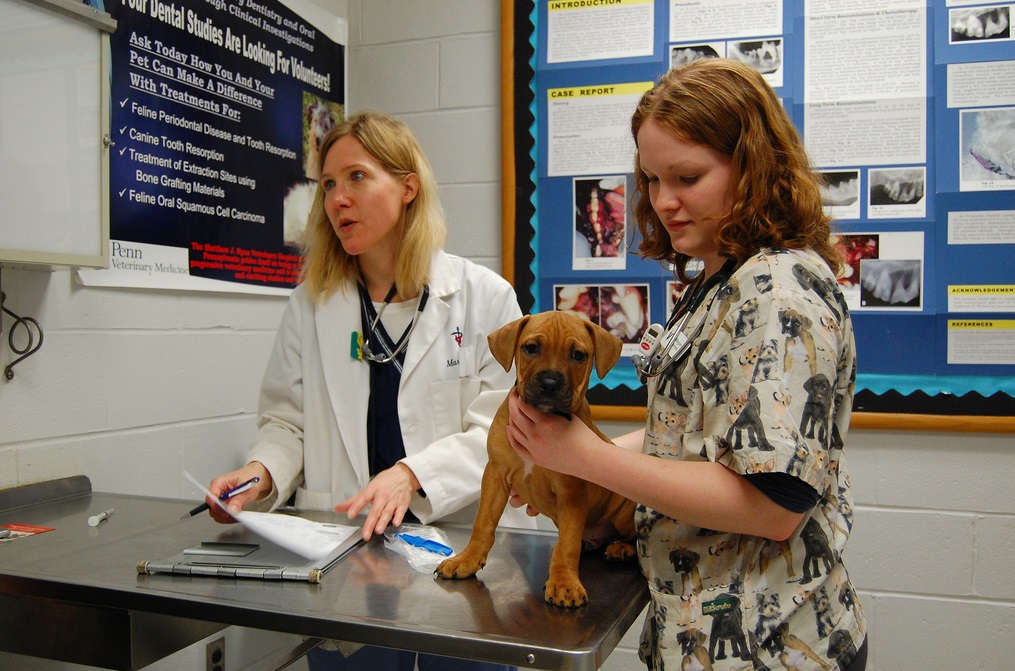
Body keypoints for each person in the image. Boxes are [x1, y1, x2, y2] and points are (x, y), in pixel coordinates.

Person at [506, 59, 867, 670]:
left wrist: (588, 460)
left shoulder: (777, 291)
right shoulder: (722, 278)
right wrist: (570, 463)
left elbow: (774, 504)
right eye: (650, 178)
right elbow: (703, 432)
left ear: (754, 168)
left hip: (767, 649)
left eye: (688, 177)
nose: (663, 201)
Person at [205, 111, 535, 671]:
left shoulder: (484, 298)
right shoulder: (312, 304)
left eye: (356, 177)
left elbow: (503, 432)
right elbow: (287, 423)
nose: (337, 199)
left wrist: (413, 475)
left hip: (460, 552)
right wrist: (261, 474)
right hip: (351, 563)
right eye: (329, 184)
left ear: (408, 187)